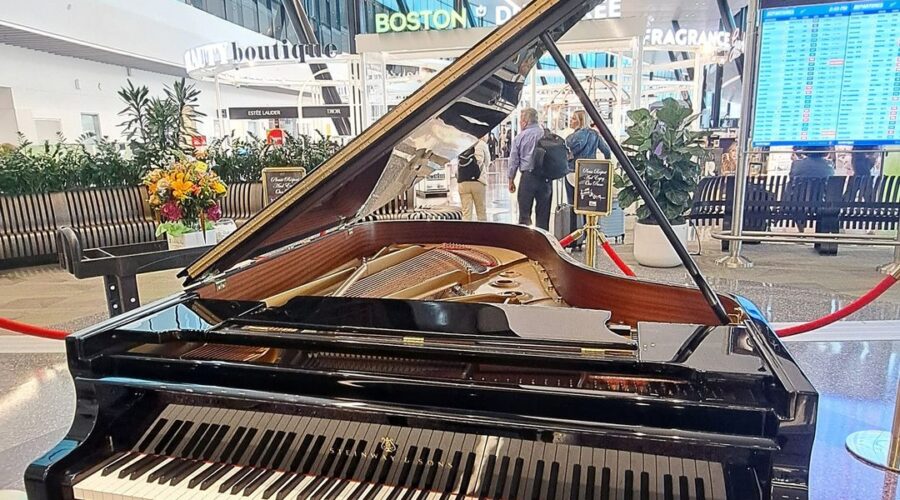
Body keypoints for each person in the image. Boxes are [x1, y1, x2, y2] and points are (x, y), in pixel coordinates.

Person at [564, 111, 611, 247]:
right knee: (588, 205)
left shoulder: (571, 138)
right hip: (591, 173)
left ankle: (574, 238)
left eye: (573, 118)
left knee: (573, 205)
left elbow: (566, 155)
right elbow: (607, 151)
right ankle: (589, 234)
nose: (570, 121)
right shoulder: (595, 135)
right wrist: (605, 167)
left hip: (572, 172)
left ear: (579, 121)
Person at [508, 108, 552, 230]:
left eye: (521, 120)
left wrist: (511, 179)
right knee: (543, 214)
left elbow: (513, 160)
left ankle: (525, 243)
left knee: (524, 214)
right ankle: (543, 242)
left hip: (528, 178)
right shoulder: (547, 134)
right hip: (546, 178)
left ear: (525, 121)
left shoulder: (520, 137)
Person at [457, 136, 490, 222]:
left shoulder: (463, 141)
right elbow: (487, 162)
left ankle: (465, 234)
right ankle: (482, 235)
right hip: (478, 181)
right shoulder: (482, 144)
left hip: (462, 181)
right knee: (481, 213)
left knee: (466, 213)